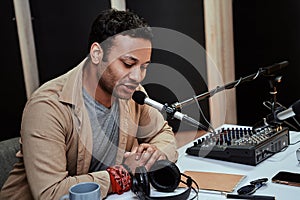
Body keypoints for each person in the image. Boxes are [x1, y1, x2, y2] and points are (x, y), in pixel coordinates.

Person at [0, 9, 178, 199]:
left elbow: (163, 134)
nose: (137, 77)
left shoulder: (132, 92)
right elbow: (50, 194)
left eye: (144, 67)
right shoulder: (47, 107)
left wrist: (152, 154)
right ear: (96, 54)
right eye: (128, 64)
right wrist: (123, 174)